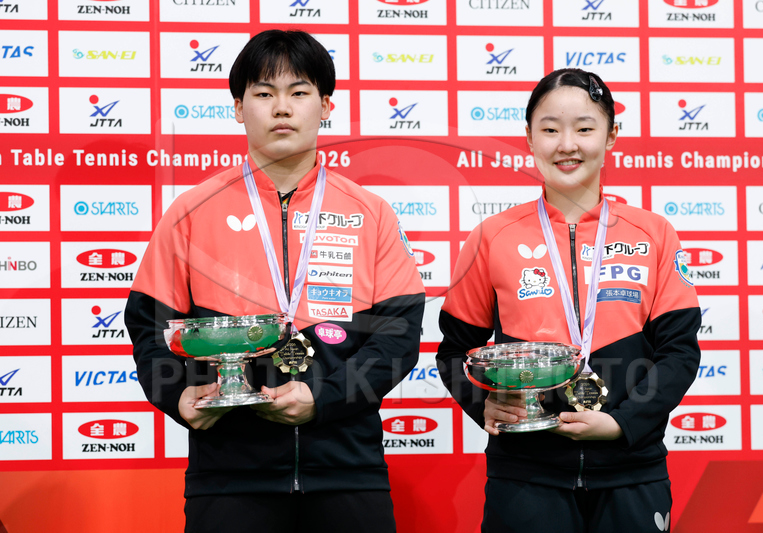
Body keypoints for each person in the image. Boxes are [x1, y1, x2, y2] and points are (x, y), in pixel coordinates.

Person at [125, 29, 425, 533]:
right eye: (264, 93)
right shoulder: (191, 212)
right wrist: (176, 396)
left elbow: (398, 336)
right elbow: (149, 327)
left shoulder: (371, 213)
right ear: (238, 108)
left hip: (349, 471)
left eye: (299, 92)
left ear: (325, 106)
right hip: (228, 476)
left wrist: (323, 398)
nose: (282, 107)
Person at [436, 68, 701, 532]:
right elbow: (454, 351)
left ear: (611, 135)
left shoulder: (654, 234)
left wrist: (623, 423)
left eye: (584, 128)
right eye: (550, 129)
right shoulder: (492, 237)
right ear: (529, 137)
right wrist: (483, 405)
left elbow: (679, 352)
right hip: (525, 475)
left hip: (631, 471)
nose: (566, 145)